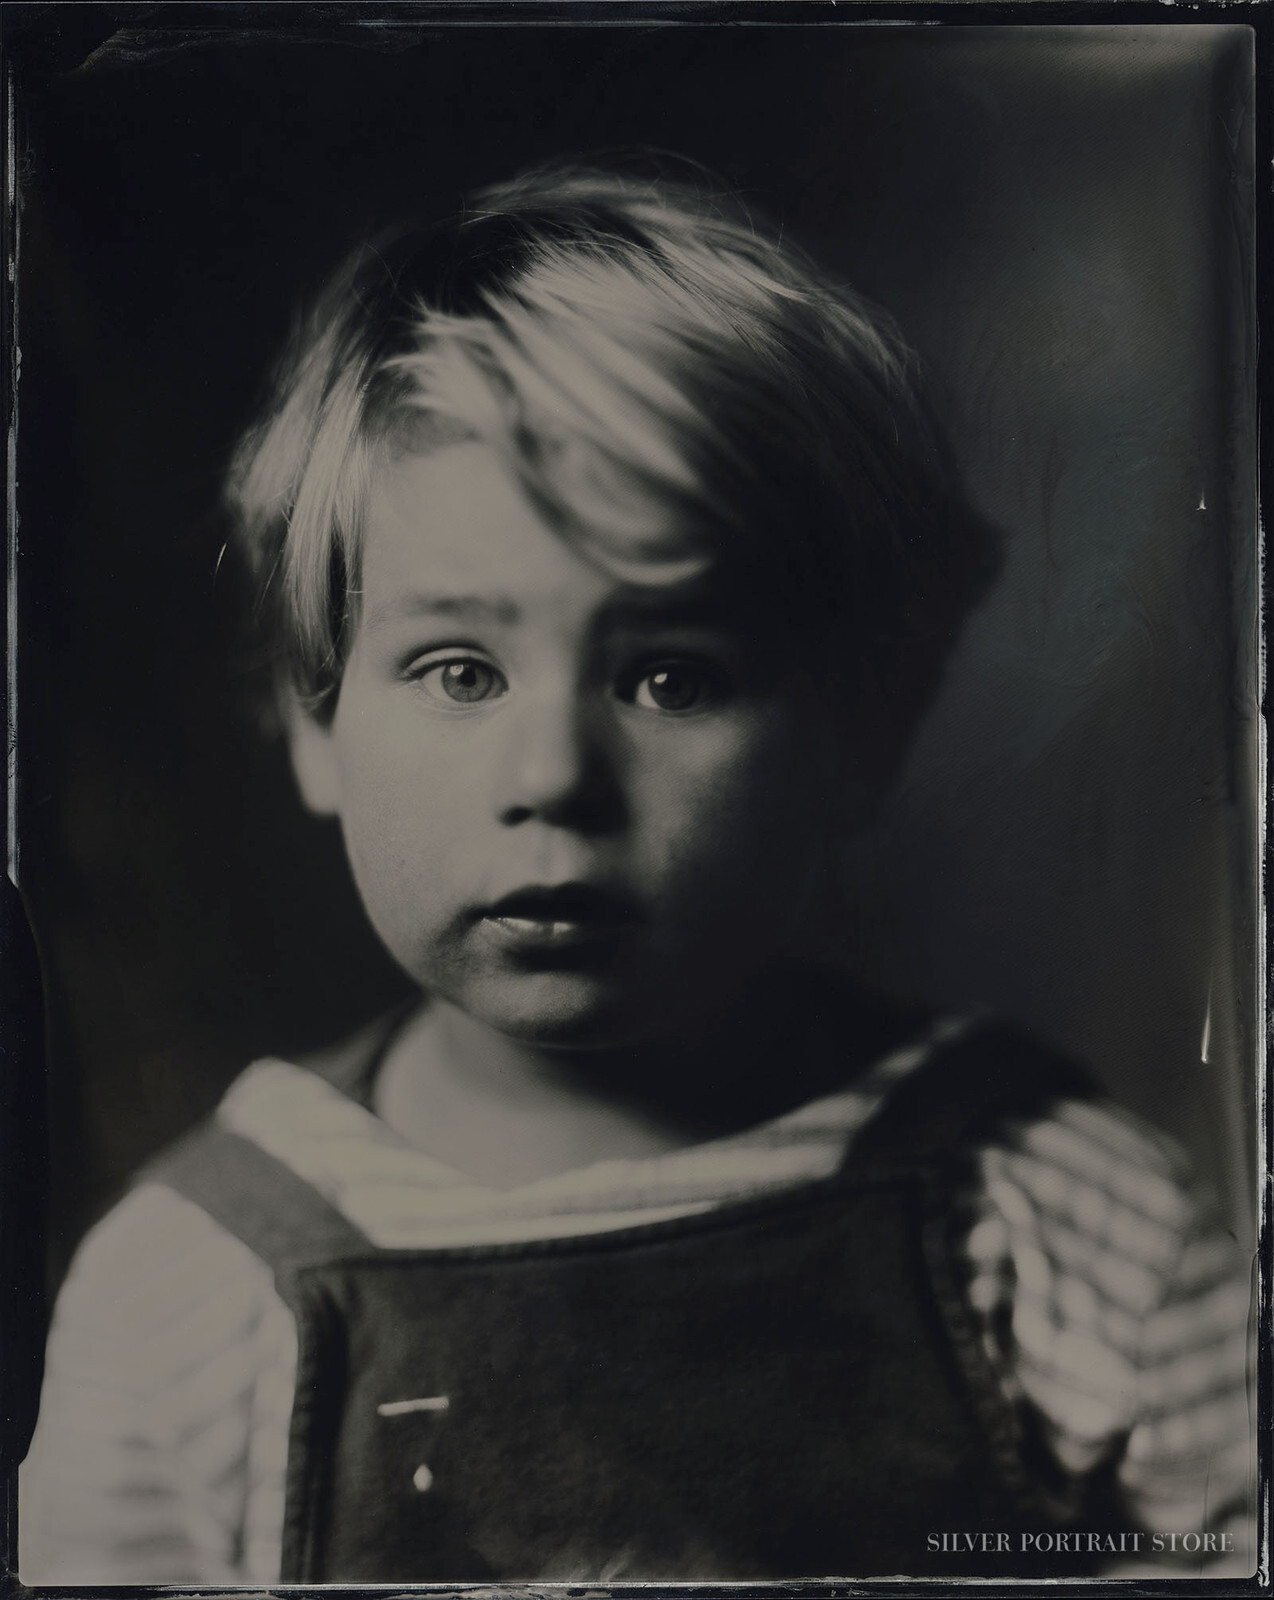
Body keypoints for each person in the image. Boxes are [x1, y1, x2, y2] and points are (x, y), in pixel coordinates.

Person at [19, 165, 1252, 1584]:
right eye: (458, 669)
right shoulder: (192, 1290)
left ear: (860, 732)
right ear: (314, 722)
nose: (552, 773)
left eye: (671, 676)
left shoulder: (1053, 1212)